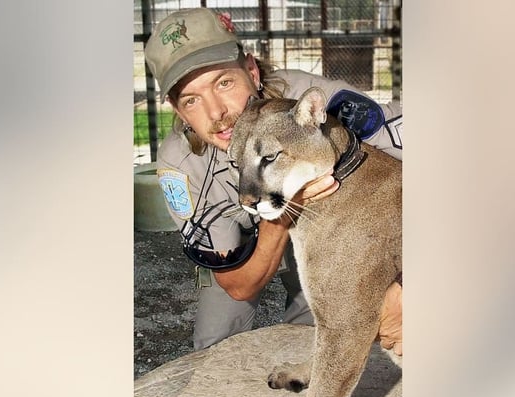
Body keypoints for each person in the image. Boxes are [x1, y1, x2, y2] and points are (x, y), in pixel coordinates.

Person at [143, 7, 403, 353]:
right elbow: (238, 285)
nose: (216, 113)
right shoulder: (182, 163)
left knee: (318, 330)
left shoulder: (312, 103)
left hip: (321, 226)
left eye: (224, 82)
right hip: (246, 242)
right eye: (192, 100)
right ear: (178, 110)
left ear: (251, 71)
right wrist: (284, 208)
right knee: (214, 347)